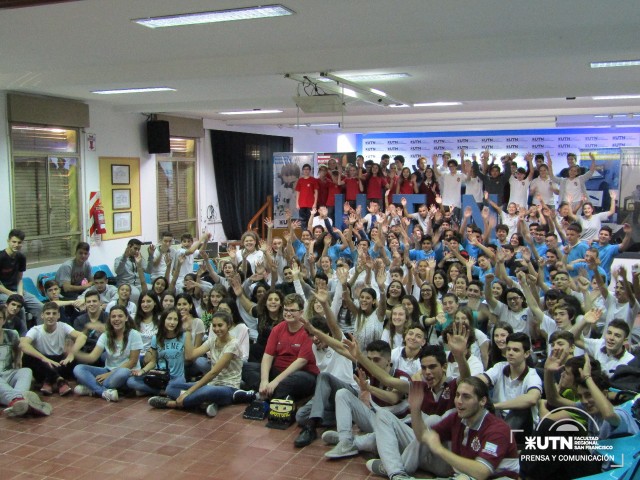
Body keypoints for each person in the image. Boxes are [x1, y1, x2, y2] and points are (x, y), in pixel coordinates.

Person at [400, 377, 520, 480]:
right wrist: (415, 409)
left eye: (466, 397)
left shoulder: (498, 429)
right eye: (457, 395)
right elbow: (423, 437)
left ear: (482, 401)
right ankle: (398, 471)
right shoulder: (457, 418)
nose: (459, 401)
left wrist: (440, 449)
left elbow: (482, 472)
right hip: (466, 475)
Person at [148, 310, 245, 416]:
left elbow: (213, 373)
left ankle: (173, 404)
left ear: (229, 325)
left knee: (206, 391)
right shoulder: (212, 340)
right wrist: (188, 331)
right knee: (171, 387)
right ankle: (203, 403)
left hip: (228, 387)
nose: (217, 329)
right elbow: (190, 356)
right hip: (211, 384)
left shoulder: (233, 344)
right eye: (214, 326)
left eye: (220, 325)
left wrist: (188, 392)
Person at [244, 294, 319, 401]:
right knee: (246, 368)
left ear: (301, 312)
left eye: (292, 310)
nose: (288, 313)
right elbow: (268, 355)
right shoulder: (277, 329)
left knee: (296, 379)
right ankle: (277, 395)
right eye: (286, 310)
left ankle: (260, 395)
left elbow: (301, 362)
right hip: (278, 371)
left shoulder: (308, 331)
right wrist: (264, 380)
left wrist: (275, 382)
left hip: (300, 373)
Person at [73, 305, 143, 402]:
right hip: (107, 371)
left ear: (126, 318)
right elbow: (92, 357)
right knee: (79, 368)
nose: (116, 319)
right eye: (113, 316)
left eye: (120, 316)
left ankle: (92, 388)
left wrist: (109, 374)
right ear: (109, 319)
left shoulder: (134, 334)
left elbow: (132, 362)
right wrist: (74, 352)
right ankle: (103, 392)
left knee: (124, 372)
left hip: (127, 373)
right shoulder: (106, 335)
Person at [478, 332, 542, 437]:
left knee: (520, 411)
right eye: (508, 349)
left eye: (515, 350)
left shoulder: (532, 375)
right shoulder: (499, 367)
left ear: (526, 354)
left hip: (524, 429)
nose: (510, 353)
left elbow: (532, 399)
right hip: (498, 419)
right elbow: (479, 381)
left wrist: (495, 406)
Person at [19, 302, 87, 396]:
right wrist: (44, 359)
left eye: (54, 313)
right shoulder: (35, 330)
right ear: (42, 315)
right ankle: (59, 380)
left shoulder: (63, 326)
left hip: (60, 363)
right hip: (43, 364)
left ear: (58, 315)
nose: (51, 316)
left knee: (79, 352)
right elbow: (23, 344)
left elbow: (82, 337)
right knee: (27, 356)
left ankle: (49, 381)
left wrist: (71, 354)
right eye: (48, 313)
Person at [0, 304, 52, 417]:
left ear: (4, 320)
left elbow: (18, 347)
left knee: (26, 371)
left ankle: (18, 402)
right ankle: (21, 400)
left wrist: (18, 358)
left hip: (7, 374)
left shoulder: (11, 334)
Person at [127, 307, 186, 397]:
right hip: (160, 376)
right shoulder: (156, 338)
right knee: (131, 381)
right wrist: (142, 371)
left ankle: (156, 391)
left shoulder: (183, 336)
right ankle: (162, 393)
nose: (172, 322)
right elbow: (153, 362)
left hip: (177, 378)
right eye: (169, 319)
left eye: (175, 319)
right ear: (163, 320)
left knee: (175, 386)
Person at [0, 229, 43, 327]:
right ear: (8, 241)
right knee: (19, 308)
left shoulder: (21, 257)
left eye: (19, 242)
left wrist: (20, 294)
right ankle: (23, 338)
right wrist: (13, 295)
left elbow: (20, 279)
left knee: (40, 307)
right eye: (14, 242)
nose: (16, 245)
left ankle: (41, 335)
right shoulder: (1, 257)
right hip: (3, 292)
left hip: (16, 290)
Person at [73, 289, 108, 353]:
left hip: (105, 351)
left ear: (100, 302)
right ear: (85, 304)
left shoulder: (108, 318)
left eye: (94, 301)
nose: (91, 304)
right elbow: (78, 340)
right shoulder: (79, 320)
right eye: (89, 302)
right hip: (85, 352)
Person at [113, 238, 147, 303]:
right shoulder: (119, 259)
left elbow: (148, 271)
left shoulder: (139, 258)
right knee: (136, 293)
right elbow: (118, 272)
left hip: (138, 284)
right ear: (129, 247)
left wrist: (151, 256)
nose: (137, 251)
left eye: (138, 249)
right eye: (135, 248)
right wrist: (124, 258)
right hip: (125, 284)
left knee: (151, 290)